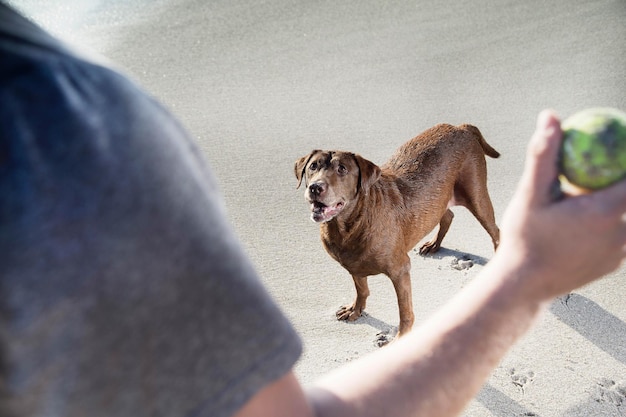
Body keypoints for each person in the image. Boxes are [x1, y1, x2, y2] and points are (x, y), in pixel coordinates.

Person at [1, 3, 625, 417]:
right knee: (360, 260)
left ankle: (477, 249)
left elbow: (394, 268)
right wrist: (530, 275)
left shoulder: (51, 118)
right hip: (383, 222)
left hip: (443, 173)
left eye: (334, 174)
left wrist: (511, 263)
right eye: (312, 176)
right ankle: (386, 284)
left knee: (455, 227)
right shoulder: (60, 99)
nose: (318, 185)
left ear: (359, 178)